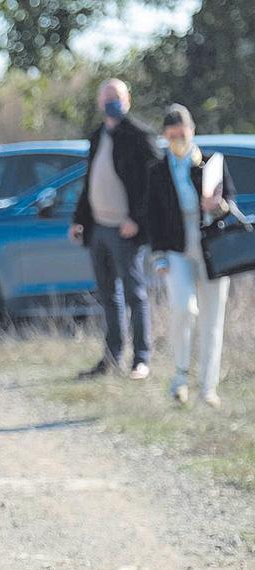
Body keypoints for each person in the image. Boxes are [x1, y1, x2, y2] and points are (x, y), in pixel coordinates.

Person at [143, 104, 236, 407]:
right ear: (165, 137)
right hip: (177, 248)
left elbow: (230, 203)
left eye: (182, 134)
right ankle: (180, 375)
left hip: (211, 248)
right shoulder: (157, 171)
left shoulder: (210, 163)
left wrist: (216, 205)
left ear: (192, 131)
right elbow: (153, 217)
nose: (178, 140)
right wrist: (158, 254)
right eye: (172, 136)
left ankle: (208, 387)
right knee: (184, 308)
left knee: (213, 318)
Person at [70, 78, 162, 380]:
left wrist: (136, 219)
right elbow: (89, 182)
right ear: (99, 102)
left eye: (117, 97)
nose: (111, 102)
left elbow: (153, 184)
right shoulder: (98, 135)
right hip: (99, 229)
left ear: (128, 100)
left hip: (126, 231)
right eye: (107, 97)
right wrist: (79, 219)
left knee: (135, 294)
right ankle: (112, 357)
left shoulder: (139, 135)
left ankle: (141, 359)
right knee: (108, 295)